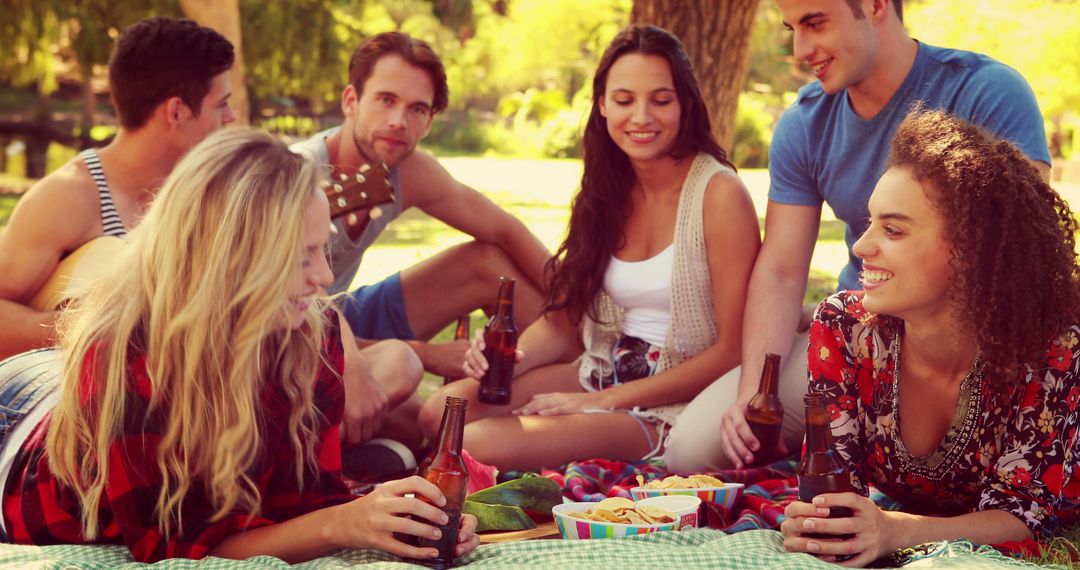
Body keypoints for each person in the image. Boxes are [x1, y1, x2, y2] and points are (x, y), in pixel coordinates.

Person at [0, 128, 479, 563]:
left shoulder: (313, 331)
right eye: (298, 258)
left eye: (322, 248)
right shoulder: (124, 357)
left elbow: (307, 504)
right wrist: (344, 523)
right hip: (16, 423)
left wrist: (397, 520)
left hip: (67, 391)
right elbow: (179, 547)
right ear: (226, 261)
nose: (326, 278)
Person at [668, 0, 1052, 471]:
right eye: (791, 28)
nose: (800, 48)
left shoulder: (986, 92)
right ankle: (829, 432)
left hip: (962, 344)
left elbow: (1025, 249)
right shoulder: (804, 123)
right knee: (694, 450)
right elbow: (782, 270)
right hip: (855, 337)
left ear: (874, 6)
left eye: (814, 23)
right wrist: (755, 390)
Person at [418, 24, 759, 471]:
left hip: (670, 403)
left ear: (686, 105)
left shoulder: (719, 195)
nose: (641, 117)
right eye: (623, 100)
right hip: (598, 371)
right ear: (601, 105)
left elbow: (732, 350)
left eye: (661, 100)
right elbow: (563, 323)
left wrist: (601, 402)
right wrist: (507, 363)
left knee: (474, 444)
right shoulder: (606, 190)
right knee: (440, 415)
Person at [781, 108, 1080, 566]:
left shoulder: (1054, 351)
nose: (861, 246)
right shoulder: (845, 328)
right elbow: (834, 483)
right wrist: (825, 524)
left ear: (969, 250)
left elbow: (1030, 514)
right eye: (869, 222)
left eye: (893, 229)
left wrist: (897, 530)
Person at [291, 32, 552, 381]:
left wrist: (582, 307)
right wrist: (426, 354)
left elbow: (505, 230)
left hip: (340, 314)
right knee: (420, 418)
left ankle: (587, 373)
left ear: (428, 122)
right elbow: (279, 317)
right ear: (351, 101)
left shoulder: (410, 171)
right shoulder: (295, 173)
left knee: (488, 263)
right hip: (291, 329)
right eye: (386, 99)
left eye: (416, 109)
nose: (399, 120)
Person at [0, 17, 236, 360]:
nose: (231, 116)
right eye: (221, 104)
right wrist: (93, 327)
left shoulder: (207, 196)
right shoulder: (68, 197)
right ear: (176, 112)